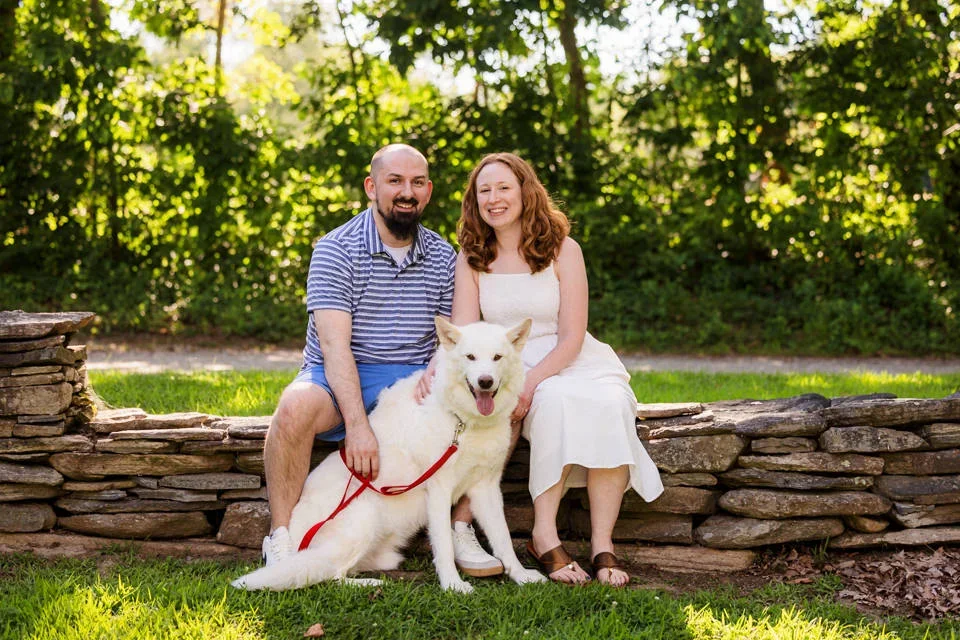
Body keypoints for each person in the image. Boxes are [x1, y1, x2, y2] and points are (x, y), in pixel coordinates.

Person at [260, 143, 505, 578]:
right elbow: (335, 349)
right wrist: (358, 427)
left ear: (428, 192)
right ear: (372, 187)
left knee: (494, 412)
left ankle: (460, 529)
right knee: (294, 407)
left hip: (413, 382)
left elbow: (454, 338)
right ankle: (282, 538)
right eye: (394, 181)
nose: (405, 192)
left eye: (415, 183)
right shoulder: (336, 249)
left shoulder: (445, 257)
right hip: (341, 373)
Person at [449, 152, 664, 586]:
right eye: (484, 191)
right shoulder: (471, 257)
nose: (493, 198)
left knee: (609, 403)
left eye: (503, 187)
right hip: (508, 362)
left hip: (574, 357)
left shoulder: (564, 250)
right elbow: (467, 336)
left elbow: (572, 335)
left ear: (526, 191)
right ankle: (543, 535)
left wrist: (533, 381)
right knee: (557, 403)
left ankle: (604, 544)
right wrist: (517, 384)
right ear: (474, 202)